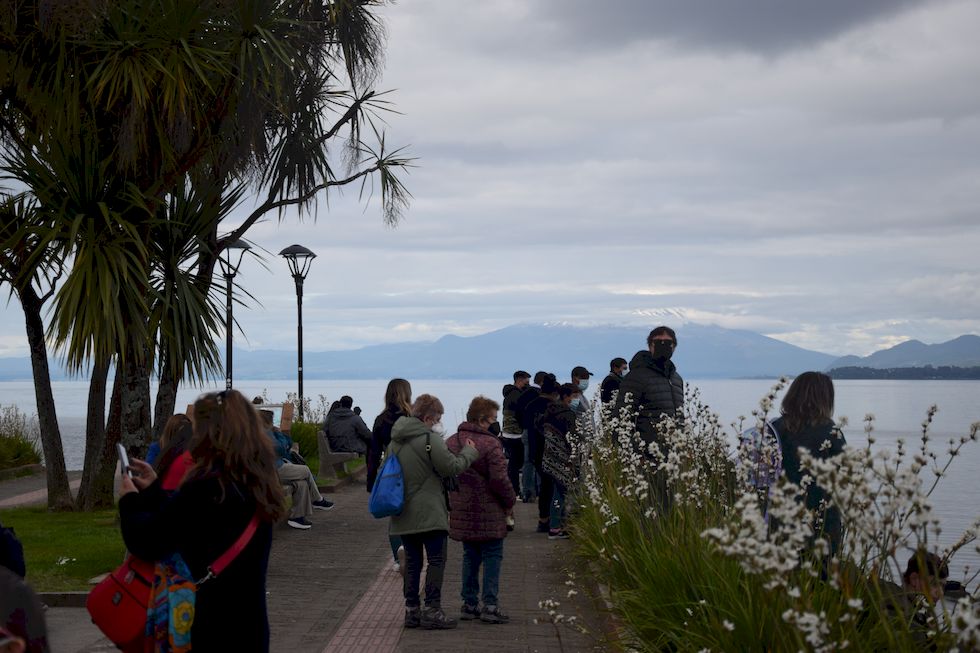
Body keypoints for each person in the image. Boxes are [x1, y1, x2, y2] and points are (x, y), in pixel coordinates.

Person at [118, 390, 286, 652]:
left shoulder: (207, 488)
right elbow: (191, 525)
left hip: (209, 628)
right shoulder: (258, 486)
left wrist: (129, 501)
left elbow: (148, 541)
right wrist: (154, 491)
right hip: (250, 629)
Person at [388, 394, 479, 630]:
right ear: (428, 417)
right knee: (436, 560)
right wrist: (469, 453)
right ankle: (432, 609)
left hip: (403, 510)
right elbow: (451, 467)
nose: (438, 423)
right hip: (430, 511)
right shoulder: (430, 439)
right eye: (437, 419)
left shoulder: (395, 440)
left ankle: (411, 611)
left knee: (413, 562)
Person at [447, 396, 516, 624]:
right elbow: (499, 479)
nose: (495, 423)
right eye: (493, 419)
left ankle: (469, 603)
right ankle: (490, 605)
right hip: (490, 510)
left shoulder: (452, 441)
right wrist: (510, 501)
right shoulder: (492, 444)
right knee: (492, 555)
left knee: (470, 555)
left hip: (463, 509)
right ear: (482, 419)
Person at [772, 371, 845, 557]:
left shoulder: (775, 429)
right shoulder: (831, 431)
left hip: (781, 517)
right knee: (821, 577)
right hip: (823, 520)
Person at [615, 326, 685, 454]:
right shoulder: (636, 377)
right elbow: (621, 420)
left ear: (674, 346)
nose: (663, 346)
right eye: (658, 342)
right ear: (650, 346)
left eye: (668, 343)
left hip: (674, 457)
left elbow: (680, 418)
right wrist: (636, 455)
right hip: (646, 459)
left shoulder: (676, 379)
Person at [368, 378, 414, 572]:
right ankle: (412, 551)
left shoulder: (381, 419)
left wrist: (371, 481)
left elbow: (373, 452)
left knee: (395, 514)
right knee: (413, 512)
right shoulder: (413, 418)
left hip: (390, 471)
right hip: (413, 469)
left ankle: (398, 556)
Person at [261, 410, 333, 530]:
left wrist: (281, 436)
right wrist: (278, 434)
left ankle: (297, 518)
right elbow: (281, 449)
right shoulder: (264, 432)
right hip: (272, 471)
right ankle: (317, 499)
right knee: (304, 470)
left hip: (276, 468)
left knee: (301, 483)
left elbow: (288, 443)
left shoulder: (268, 431)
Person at [542, 383, 582, 540]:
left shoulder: (550, 411)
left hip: (550, 458)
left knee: (557, 492)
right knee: (561, 493)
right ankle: (556, 527)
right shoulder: (568, 414)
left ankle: (557, 525)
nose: (576, 400)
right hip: (564, 459)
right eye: (575, 396)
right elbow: (573, 439)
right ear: (566, 397)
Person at [525, 376, 560, 533]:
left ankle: (543, 519)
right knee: (552, 486)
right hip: (551, 450)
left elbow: (526, 427)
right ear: (554, 392)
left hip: (536, 449)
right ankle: (553, 519)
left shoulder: (531, 405)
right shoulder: (555, 407)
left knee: (544, 486)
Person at [501, 370, 531, 496]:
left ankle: (513, 488)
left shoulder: (508, 395)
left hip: (507, 433)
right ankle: (514, 489)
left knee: (513, 462)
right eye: (526, 382)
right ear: (519, 380)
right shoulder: (517, 396)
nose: (528, 385)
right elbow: (520, 414)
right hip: (516, 434)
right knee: (516, 463)